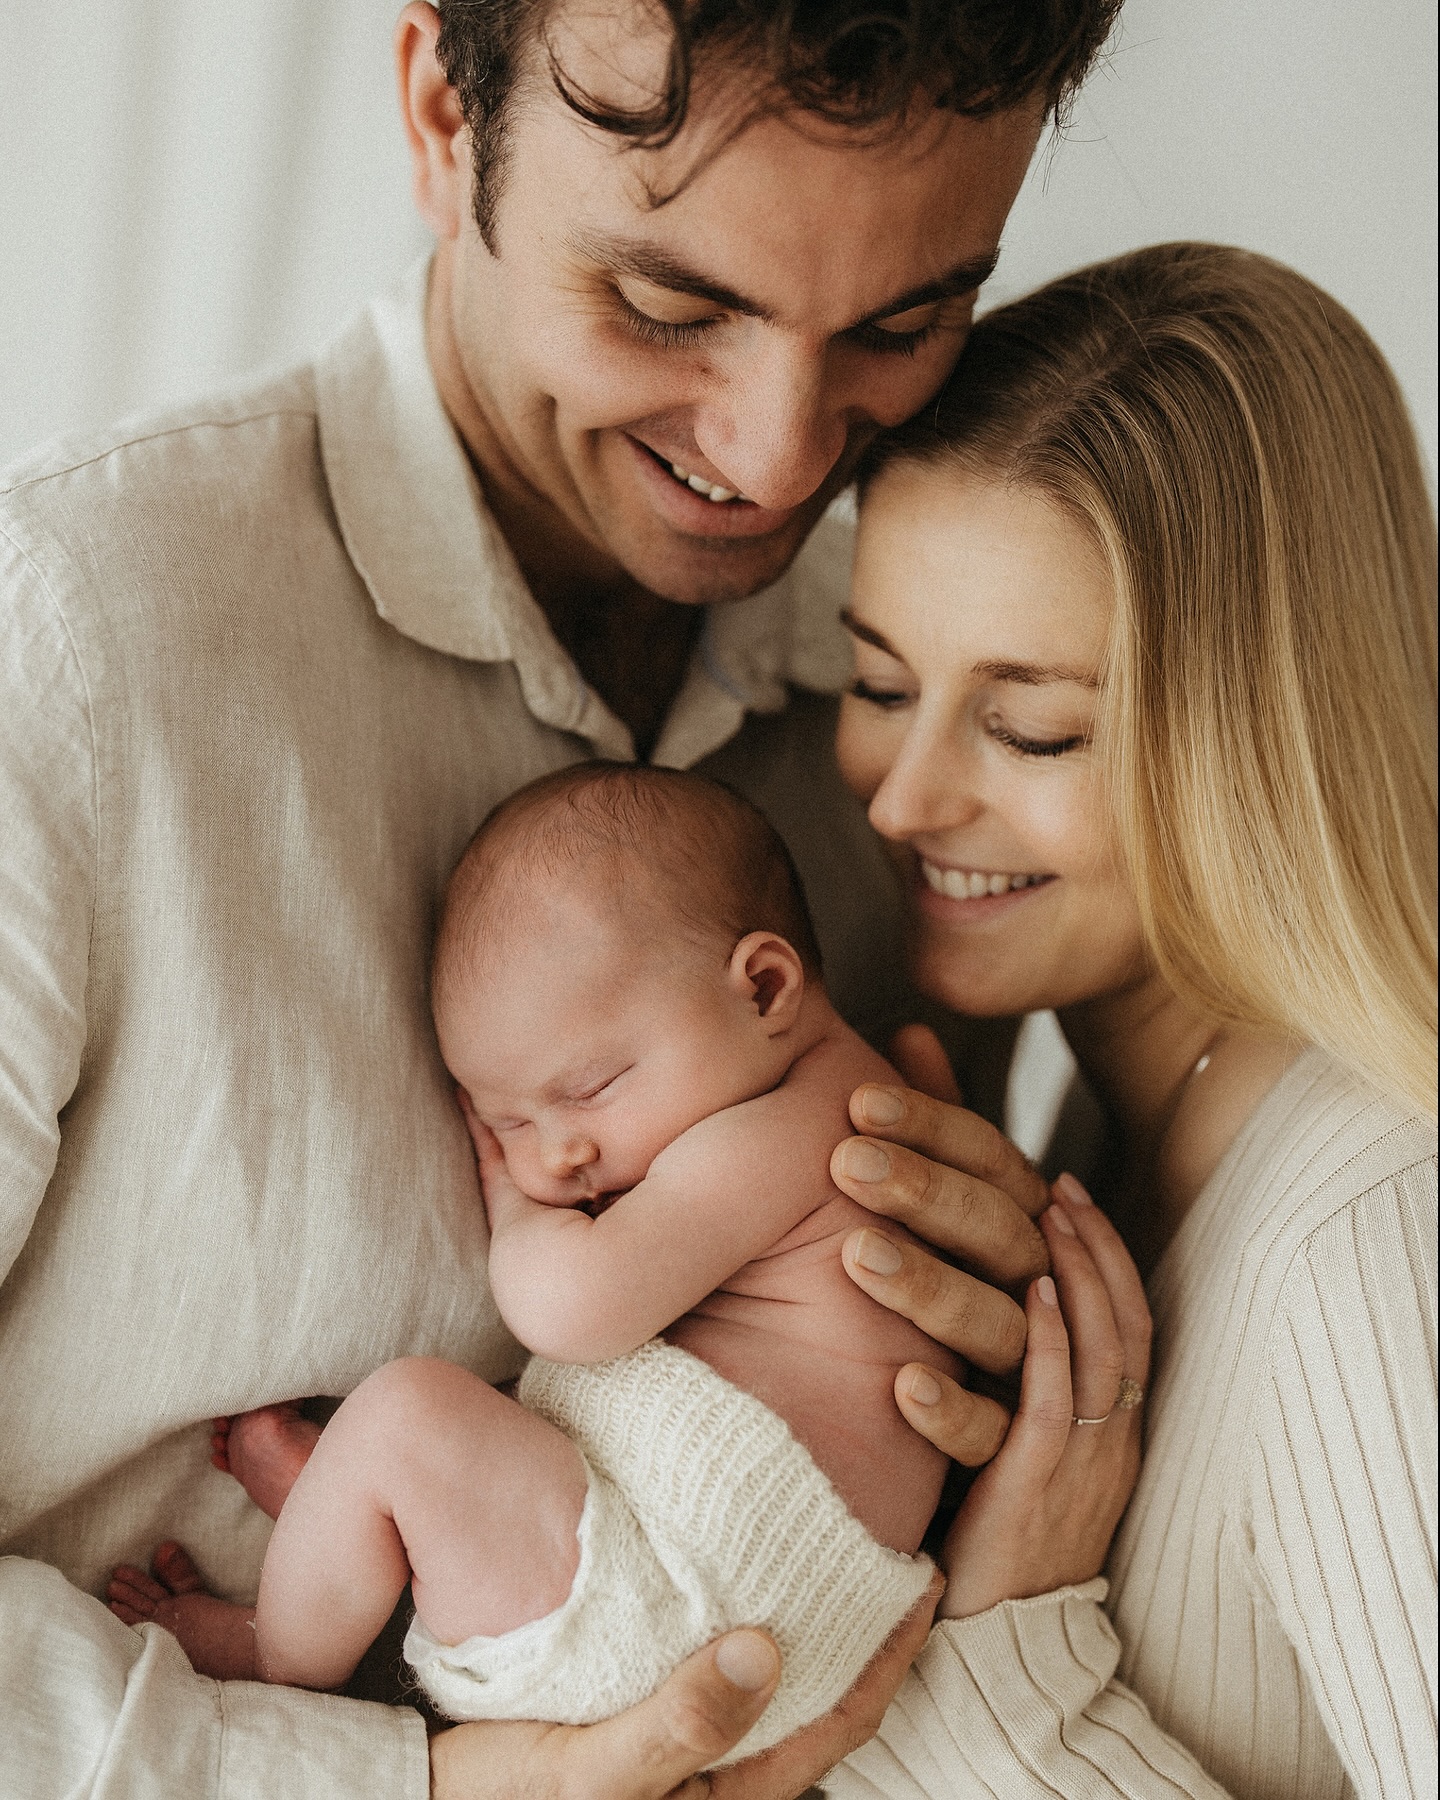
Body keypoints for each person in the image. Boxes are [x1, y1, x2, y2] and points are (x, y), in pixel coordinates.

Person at [0, 4, 1123, 1795]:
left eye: (904, 325)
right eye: (671, 303)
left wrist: (993, 1444)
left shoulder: (913, 718)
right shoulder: (64, 649)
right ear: (447, 113)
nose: (773, 459)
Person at [814, 242, 1437, 1797]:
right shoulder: (1103, 1112)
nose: (904, 797)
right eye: (879, 683)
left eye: (1032, 727)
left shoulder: (1372, 1238)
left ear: (1260, 735)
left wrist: (1011, 1663)